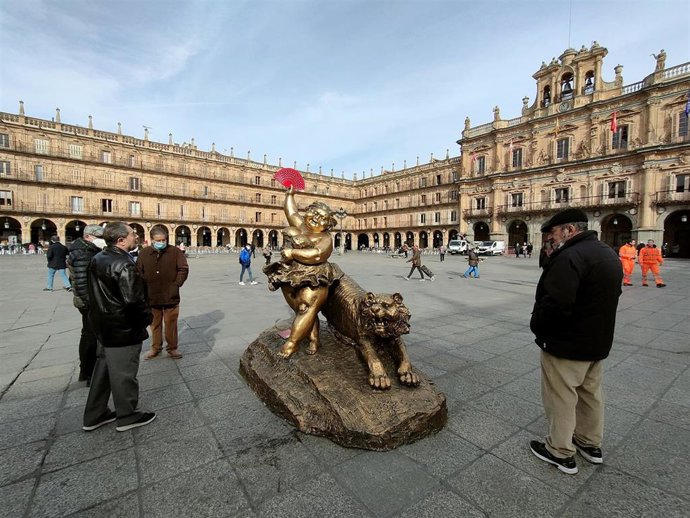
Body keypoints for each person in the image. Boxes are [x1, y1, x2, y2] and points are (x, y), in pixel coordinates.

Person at [529, 208, 623, 475]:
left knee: (561, 397)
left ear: (569, 230)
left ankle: (559, 451)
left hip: (566, 344)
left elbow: (555, 303)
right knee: (591, 394)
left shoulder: (569, 256)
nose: (551, 239)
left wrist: (539, 328)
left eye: (554, 233)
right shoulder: (607, 253)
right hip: (597, 341)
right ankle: (589, 443)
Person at [83, 222, 155, 432]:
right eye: (133, 233)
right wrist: (146, 318)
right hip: (122, 327)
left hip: (103, 325)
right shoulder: (124, 264)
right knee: (124, 374)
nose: (137, 236)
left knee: (103, 371)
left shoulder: (99, 258)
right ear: (121, 239)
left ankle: (95, 414)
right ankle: (128, 415)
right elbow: (133, 301)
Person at [264, 186, 343, 358]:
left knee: (306, 309)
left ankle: (292, 343)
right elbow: (291, 213)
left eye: (322, 219)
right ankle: (314, 339)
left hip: (314, 276)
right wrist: (289, 195)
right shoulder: (301, 226)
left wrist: (293, 253)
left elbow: (317, 255)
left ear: (328, 225)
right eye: (314, 213)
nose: (316, 219)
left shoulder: (325, 238)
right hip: (292, 273)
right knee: (302, 310)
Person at [136, 227, 189, 360]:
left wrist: (177, 283)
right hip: (151, 295)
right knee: (154, 323)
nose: (162, 242)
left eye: (164, 240)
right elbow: (138, 271)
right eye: (158, 240)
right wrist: (143, 287)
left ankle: (172, 348)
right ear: (152, 240)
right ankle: (155, 348)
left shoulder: (175, 252)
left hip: (170, 294)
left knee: (171, 323)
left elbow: (183, 268)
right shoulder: (144, 253)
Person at [67, 224, 106, 384]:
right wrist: (93, 304)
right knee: (91, 335)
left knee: (89, 334)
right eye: (100, 237)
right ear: (89, 236)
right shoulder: (83, 253)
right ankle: (89, 371)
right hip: (90, 302)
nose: (103, 241)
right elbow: (83, 284)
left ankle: (86, 370)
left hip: (88, 301)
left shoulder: (86, 250)